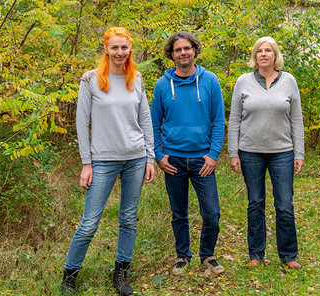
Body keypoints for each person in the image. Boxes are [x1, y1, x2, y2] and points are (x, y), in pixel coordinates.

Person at [61, 27, 155, 296]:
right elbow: (82, 123)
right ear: (106, 49)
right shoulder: (91, 80)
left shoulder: (135, 78)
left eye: (124, 48)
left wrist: (149, 157)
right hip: (102, 160)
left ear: (130, 49)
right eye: (115, 47)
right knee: (89, 222)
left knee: (128, 219)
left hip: (135, 157)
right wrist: (86, 163)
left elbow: (145, 119)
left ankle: (121, 273)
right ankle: (70, 275)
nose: (120, 52)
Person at [151, 31, 226, 275]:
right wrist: (159, 155)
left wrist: (214, 154)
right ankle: (182, 256)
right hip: (172, 159)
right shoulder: (163, 85)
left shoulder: (210, 80)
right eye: (178, 49)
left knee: (211, 213)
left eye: (187, 48)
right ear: (171, 55)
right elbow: (152, 123)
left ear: (194, 50)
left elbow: (218, 119)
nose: (183, 53)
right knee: (178, 212)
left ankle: (208, 255)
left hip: (202, 159)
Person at [228, 36, 305, 269]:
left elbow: (296, 119)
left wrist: (299, 153)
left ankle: (288, 255)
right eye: (259, 51)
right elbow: (233, 120)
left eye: (268, 51)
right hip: (250, 152)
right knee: (255, 203)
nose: (263, 54)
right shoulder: (243, 82)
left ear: (275, 55)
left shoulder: (289, 81)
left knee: (284, 205)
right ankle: (255, 254)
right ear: (255, 56)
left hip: (282, 152)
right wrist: (233, 152)